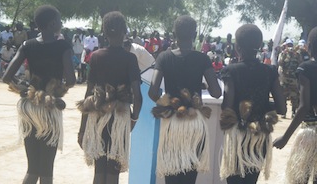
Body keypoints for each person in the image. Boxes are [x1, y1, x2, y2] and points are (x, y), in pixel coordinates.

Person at [2, 5, 76, 184]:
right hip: (49, 110)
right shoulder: (63, 46)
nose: (61, 22)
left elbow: (6, 77)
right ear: (52, 24)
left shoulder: (28, 45)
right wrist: (59, 89)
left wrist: (25, 89)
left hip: (30, 108)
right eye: (59, 20)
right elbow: (71, 80)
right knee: (46, 171)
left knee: (33, 168)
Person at [148, 15, 221, 184]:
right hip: (195, 123)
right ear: (195, 35)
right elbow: (217, 92)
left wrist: (167, 102)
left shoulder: (164, 57)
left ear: (174, 35)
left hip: (172, 123)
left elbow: (152, 92)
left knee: (171, 175)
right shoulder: (203, 59)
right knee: (189, 176)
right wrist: (205, 86)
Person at [77, 11, 142, 184]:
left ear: (104, 33)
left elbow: (88, 94)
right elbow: (138, 97)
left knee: (100, 169)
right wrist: (133, 120)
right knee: (113, 168)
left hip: (98, 117)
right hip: (120, 119)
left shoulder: (96, 56)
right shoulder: (130, 58)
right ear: (124, 32)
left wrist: (82, 128)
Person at [219, 24, 286, 184]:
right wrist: (262, 104)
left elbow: (227, 106)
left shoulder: (231, 70)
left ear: (237, 47)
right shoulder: (270, 71)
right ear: (260, 46)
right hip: (259, 137)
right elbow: (282, 108)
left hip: (237, 137)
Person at [273, 27, 317, 184]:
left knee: (300, 177)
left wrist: (285, 137)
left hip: (310, 131)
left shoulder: (306, 68)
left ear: (309, 46)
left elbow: (304, 106)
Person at [278, 38, 302, 118]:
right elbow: (280, 63)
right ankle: (284, 112)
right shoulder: (283, 54)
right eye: (288, 45)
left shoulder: (297, 54)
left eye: (291, 45)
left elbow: (300, 64)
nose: (289, 47)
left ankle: (294, 112)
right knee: (283, 96)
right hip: (284, 78)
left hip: (294, 79)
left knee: (294, 96)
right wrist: (283, 52)